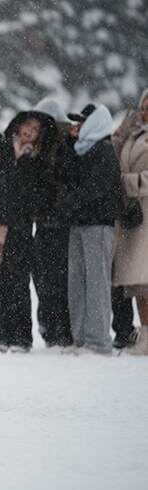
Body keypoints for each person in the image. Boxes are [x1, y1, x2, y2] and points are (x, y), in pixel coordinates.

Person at [0, 81, 57, 352]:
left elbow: (43, 197)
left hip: (18, 227)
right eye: (27, 126)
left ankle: (19, 338)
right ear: (17, 126)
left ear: (39, 137)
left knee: (17, 281)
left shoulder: (38, 165)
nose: (29, 132)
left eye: (35, 131)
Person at [60, 104, 122, 354]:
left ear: (95, 123)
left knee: (96, 282)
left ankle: (97, 341)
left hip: (98, 224)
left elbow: (94, 189)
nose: (77, 126)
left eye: (82, 122)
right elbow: (66, 176)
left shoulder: (104, 151)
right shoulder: (81, 150)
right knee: (78, 282)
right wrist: (68, 145)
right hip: (79, 223)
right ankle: (82, 339)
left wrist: (68, 203)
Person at [30, 98, 74, 347]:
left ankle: (59, 330)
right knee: (45, 281)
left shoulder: (62, 149)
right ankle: (50, 327)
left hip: (58, 228)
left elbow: (62, 188)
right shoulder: (41, 149)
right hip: (46, 227)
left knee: (56, 283)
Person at [111, 88, 148, 354]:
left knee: (144, 279)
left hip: (144, 212)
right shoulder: (135, 135)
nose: (145, 112)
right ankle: (142, 334)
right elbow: (115, 157)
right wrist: (121, 132)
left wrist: (126, 183)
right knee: (136, 282)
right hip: (132, 216)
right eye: (143, 106)